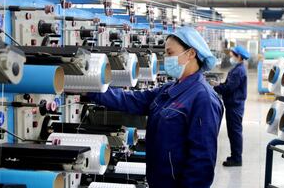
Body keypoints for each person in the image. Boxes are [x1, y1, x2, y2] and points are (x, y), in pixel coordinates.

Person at [87, 27, 223, 188]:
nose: (166, 58)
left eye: (170, 53)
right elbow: (131, 100)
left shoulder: (203, 98)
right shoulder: (169, 89)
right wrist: (91, 88)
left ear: (191, 54)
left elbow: (202, 161)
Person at [210, 46, 249, 167]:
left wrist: (216, 86)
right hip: (234, 104)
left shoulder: (239, 71)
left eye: (233, 55)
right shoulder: (238, 68)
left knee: (234, 132)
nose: (231, 57)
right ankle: (235, 156)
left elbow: (228, 88)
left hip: (235, 106)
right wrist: (219, 84)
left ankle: (237, 159)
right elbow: (229, 85)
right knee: (233, 132)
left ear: (239, 57)